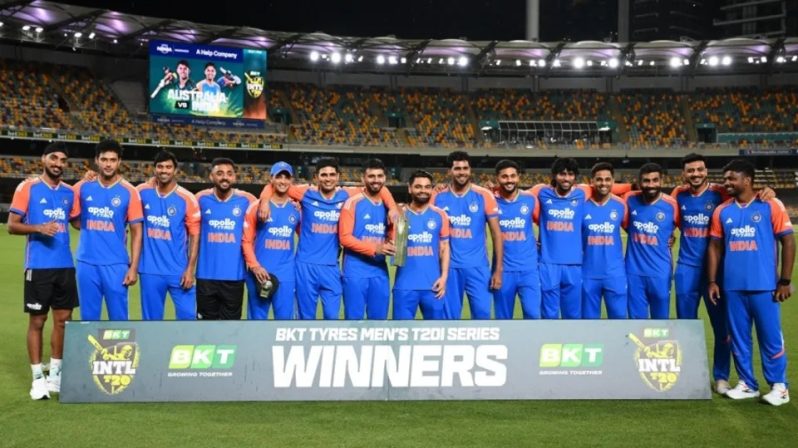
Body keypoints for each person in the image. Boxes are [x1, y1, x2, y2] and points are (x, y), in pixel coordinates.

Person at [258, 157, 397, 320]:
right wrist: (264, 202)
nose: (328, 178)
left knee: (332, 317)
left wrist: (393, 207)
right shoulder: (305, 193)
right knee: (305, 318)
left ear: (338, 177)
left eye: (332, 174)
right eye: (324, 175)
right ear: (316, 177)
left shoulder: (347, 194)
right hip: (305, 265)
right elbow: (273, 185)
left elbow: (380, 188)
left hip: (331, 266)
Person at [708, 159, 794, 406]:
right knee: (739, 338)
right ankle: (747, 384)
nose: (727, 183)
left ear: (747, 180)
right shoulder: (722, 211)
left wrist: (785, 280)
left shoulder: (770, 205)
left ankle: (779, 386)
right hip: (732, 287)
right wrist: (713, 280)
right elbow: (714, 246)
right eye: (725, 179)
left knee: (770, 337)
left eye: (731, 178)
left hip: (764, 285)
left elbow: (788, 241)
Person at [8, 142, 79, 399]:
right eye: (53, 158)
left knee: (63, 322)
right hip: (38, 267)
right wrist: (38, 228)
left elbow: (78, 221)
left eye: (62, 160)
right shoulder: (27, 187)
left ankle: (55, 376)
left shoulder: (70, 192)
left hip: (65, 267)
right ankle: (38, 378)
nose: (58, 163)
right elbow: (12, 226)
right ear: (43, 159)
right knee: (37, 321)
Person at [74, 139, 143, 321]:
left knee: (119, 319)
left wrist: (133, 267)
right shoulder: (83, 186)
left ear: (119, 162)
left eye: (112, 160)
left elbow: (137, 231)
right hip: (86, 262)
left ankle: (119, 351)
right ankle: (89, 351)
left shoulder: (129, 191)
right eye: (104, 159)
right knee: (88, 318)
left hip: (116, 264)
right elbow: (69, 212)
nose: (108, 164)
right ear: (97, 160)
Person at [433, 151, 502, 320]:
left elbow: (496, 235)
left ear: (470, 170)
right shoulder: (437, 197)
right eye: (457, 168)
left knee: (482, 317)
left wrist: (498, 270)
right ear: (450, 171)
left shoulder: (484, 195)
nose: (461, 172)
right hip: (448, 269)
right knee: (449, 319)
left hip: (478, 267)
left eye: (465, 168)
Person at [136, 150, 200, 320]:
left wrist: (190, 269)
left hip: (179, 271)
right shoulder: (141, 192)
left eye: (168, 167)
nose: (164, 170)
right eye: (160, 167)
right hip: (150, 270)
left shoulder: (187, 198)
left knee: (188, 317)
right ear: (154, 169)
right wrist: (89, 178)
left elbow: (194, 236)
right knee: (151, 322)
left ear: (175, 170)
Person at [195, 158, 256, 320]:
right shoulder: (200, 199)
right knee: (205, 328)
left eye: (229, 174)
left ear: (235, 177)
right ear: (211, 177)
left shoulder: (247, 200)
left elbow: (267, 206)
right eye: (220, 173)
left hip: (234, 276)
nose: (225, 177)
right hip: (205, 275)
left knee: (231, 329)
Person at [530, 158, 588, 319]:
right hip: (548, 264)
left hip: (574, 264)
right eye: (562, 174)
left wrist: (633, 187)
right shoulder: (542, 192)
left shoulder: (582, 193)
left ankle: (572, 343)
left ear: (575, 177)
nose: (566, 178)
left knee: (573, 315)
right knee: (549, 314)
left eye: (570, 175)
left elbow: (608, 188)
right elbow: (519, 198)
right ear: (555, 175)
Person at [242, 161, 301, 320]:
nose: (282, 181)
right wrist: (255, 267)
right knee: (256, 322)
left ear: (291, 181)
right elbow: (246, 241)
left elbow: (306, 236)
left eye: (286, 177)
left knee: (285, 324)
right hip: (260, 272)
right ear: (271, 179)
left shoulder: (297, 210)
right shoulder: (257, 207)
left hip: (286, 274)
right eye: (278, 177)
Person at [338, 159, 395, 319]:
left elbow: (392, 234)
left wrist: (394, 241)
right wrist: (375, 248)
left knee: (379, 323)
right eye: (371, 176)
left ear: (385, 178)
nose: (375, 180)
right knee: (354, 322)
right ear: (363, 179)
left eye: (379, 176)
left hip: (380, 272)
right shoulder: (352, 203)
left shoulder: (389, 206)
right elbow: (345, 238)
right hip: (355, 272)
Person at [624, 163, 680, 319]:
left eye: (655, 180)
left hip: (660, 273)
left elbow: (682, 227)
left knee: (661, 323)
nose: (651, 185)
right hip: (633, 272)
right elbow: (626, 225)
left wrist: (672, 236)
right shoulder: (630, 199)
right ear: (639, 182)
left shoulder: (672, 205)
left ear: (662, 181)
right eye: (646, 181)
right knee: (636, 323)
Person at [393, 170, 450, 320]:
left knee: (435, 336)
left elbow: (444, 247)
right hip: (404, 286)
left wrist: (444, 277)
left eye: (427, 187)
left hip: (433, 286)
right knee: (401, 335)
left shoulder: (440, 214)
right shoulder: (399, 214)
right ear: (410, 188)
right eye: (418, 186)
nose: (423, 190)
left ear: (432, 189)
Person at [492, 159, 541, 319]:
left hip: (529, 270)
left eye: (513, 176)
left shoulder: (530, 199)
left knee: (533, 316)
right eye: (504, 176)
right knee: (503, 319)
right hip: (503, 271)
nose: (509, 180)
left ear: (519, 177)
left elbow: (544, 222)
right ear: (497, 178)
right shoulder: (491, 200)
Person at [582, 162, 628, 319]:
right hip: (587, 274)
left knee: (619, 323)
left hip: (614, 274)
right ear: (592, 181)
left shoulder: (621, 205)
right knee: (589, 325)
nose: (603, 183)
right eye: (599, 179)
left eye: (607, 179)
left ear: (613, 181)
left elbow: (635, 229)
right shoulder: (581, 206)